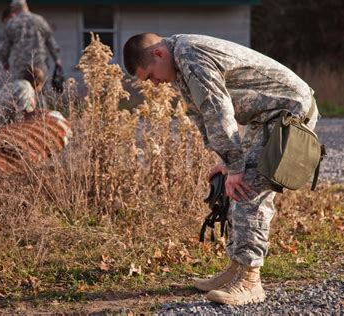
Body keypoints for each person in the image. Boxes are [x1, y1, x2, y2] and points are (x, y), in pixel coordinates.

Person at [123, 33, 319, 306]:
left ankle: (250, 281)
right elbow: (202, 116)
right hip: (264, 118)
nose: (154, 84)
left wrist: (236, 166)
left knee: (248, 187)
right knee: (237, 183)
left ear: (158, 55)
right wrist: (227, 162)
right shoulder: (180, 65)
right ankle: (236, 271)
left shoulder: (190, 55)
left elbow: (218, 109)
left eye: (150, 76)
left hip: (288, 113)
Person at [0, 0, 62, 81]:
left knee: (21, 90)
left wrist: (4, 61)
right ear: (26, 6)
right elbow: (50, 40)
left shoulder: (12, 23)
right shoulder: (39, 20)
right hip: (39, 63)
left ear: (14, 9)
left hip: (20, 65)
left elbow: (4, 48)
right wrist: (57, 59)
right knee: (41, 89)